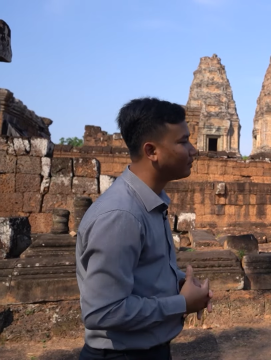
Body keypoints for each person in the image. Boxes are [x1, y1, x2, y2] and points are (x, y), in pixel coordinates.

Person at [76, 97, 212, 359]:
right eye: (183, 141)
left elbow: (138, 275)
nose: (194, 150)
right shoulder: (122, 215)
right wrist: (182, 303)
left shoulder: (149, 202)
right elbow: (102, 311)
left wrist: (178, 283)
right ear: (152, 151)